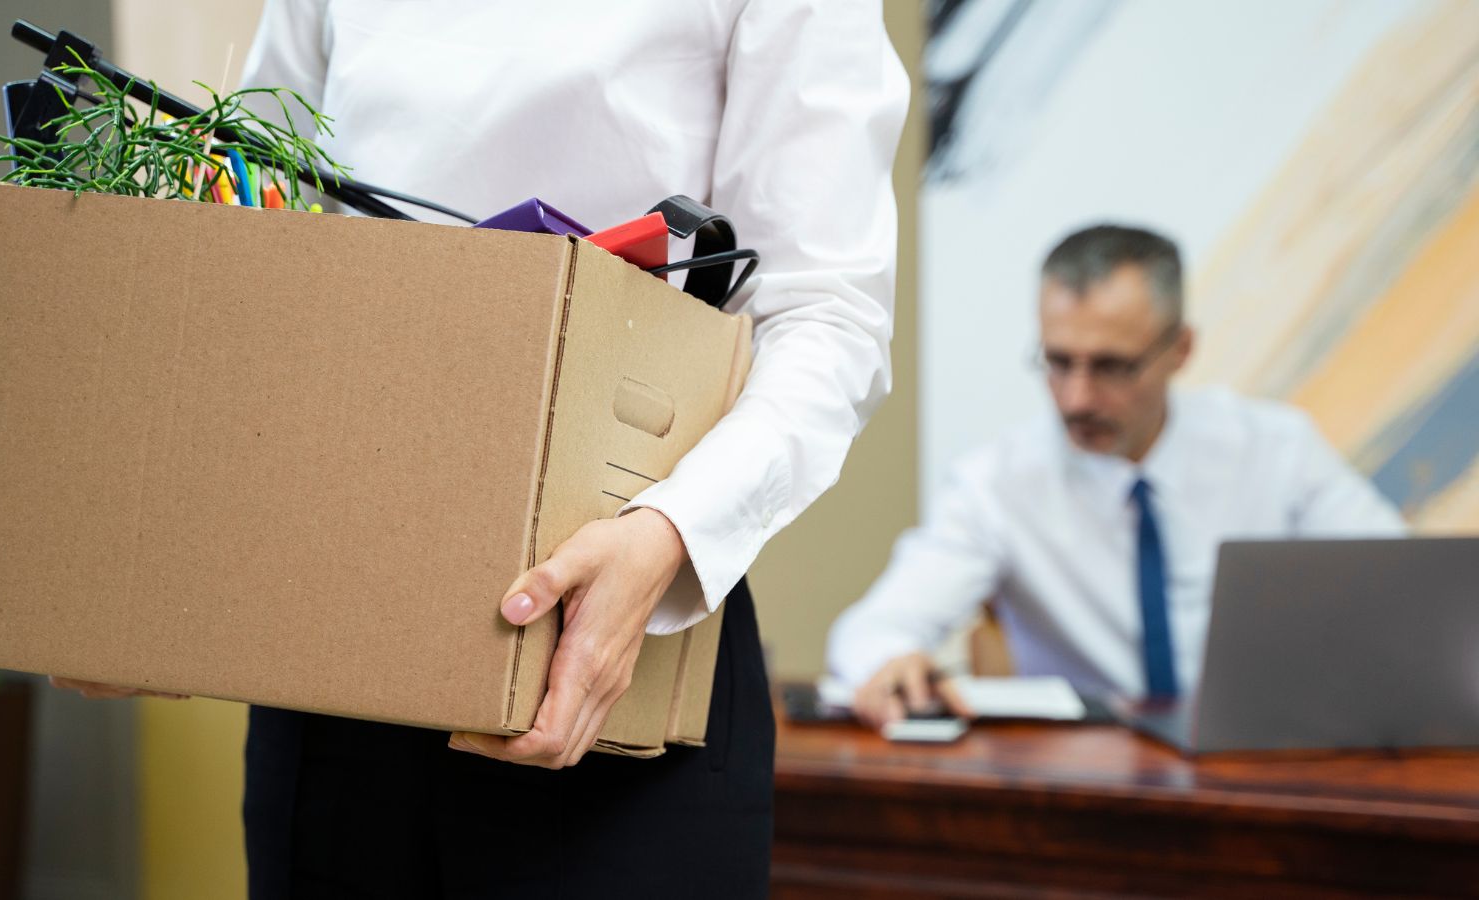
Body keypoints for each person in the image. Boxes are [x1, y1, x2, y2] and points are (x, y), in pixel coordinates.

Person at [53, 1, 909, 896]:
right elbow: (258, 218)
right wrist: (148, 560)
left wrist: (669, 533)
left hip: (614, 640)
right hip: (329, 655)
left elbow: (827, 315)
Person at [827, 224, 1406, 731]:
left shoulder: (1276, 449)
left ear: (1181, 349)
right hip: (1089, 782)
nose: (1077, 398)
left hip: (1262, 764)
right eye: (1058, 362)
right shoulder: (997, 485)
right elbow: (876, 628)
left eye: (1111, 366)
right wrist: (891, 661)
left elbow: (1404, 584)